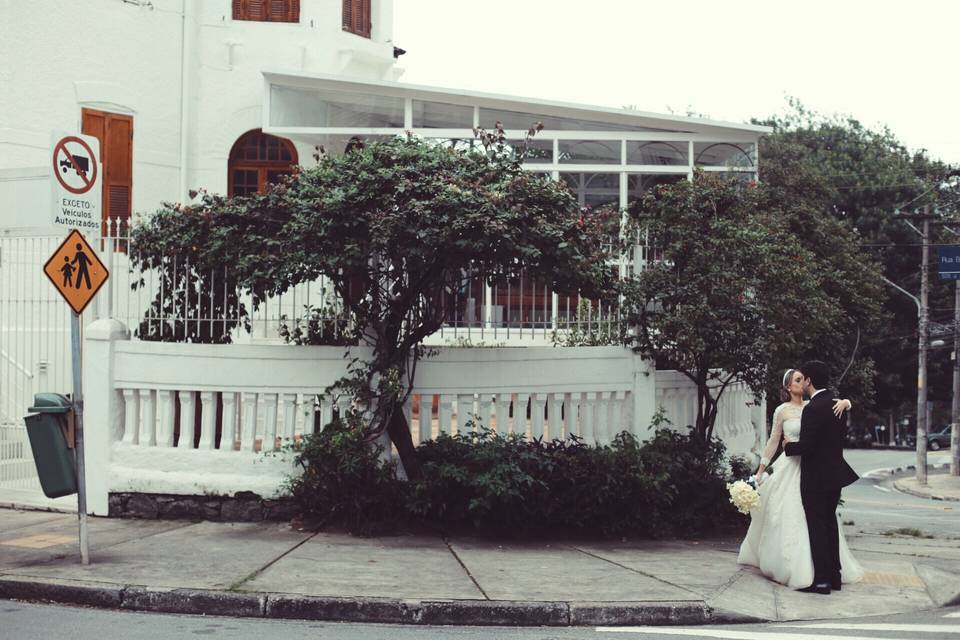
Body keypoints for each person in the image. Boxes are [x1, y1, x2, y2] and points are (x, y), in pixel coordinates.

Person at [737, 365, 864, 591]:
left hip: (811, 472)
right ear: (788, 386)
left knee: (817, 525)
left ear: (809, 381)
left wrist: (789, 446)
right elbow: (773, 441)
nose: (801, 382)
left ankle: (822, 578)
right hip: (819, 472)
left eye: (802, 378)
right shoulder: (823, 406)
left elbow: (806, 445)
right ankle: (832, 576)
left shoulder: (814, 407)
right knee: (826, 523)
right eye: (796, 380)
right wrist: (762, 468)